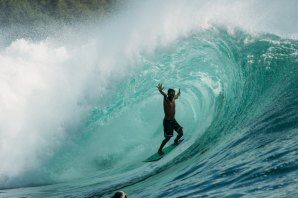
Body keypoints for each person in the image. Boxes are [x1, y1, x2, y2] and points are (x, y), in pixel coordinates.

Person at [156, 83, 183, 155]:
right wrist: (161, 91)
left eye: (173, 94)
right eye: (170, 94)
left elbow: (176, 96)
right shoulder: (166, 100)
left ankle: (176, 141)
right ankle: (159, 150)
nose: (172, 95)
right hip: (167, 122)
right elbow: (164, 95)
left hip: (173, 121)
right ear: (168, 94)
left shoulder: (174, 98)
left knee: (181, 133)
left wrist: (178, 94)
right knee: (168, 138)